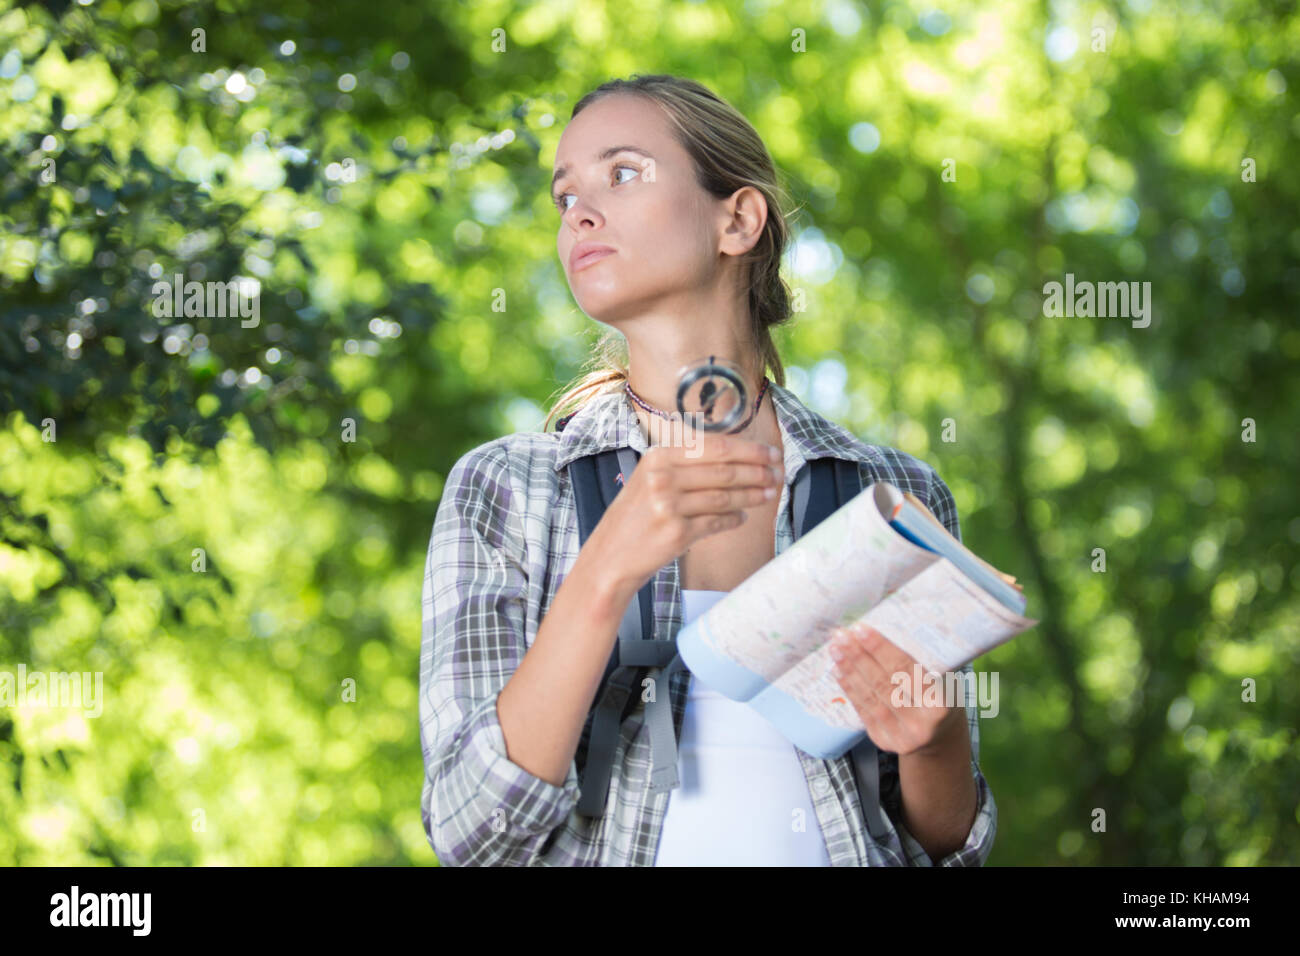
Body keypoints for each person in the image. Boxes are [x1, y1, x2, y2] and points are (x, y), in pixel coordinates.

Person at [419, 74, 997, 866]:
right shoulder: (508, 488)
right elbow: (469, 830)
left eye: (622, 174)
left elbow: (944, 848)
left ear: (738, 219)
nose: (578, 213)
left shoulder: (890, 498)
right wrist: (604, 574)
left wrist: (936, 736)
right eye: (564, 197)